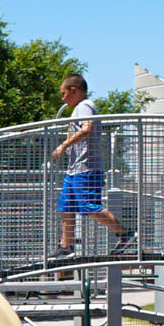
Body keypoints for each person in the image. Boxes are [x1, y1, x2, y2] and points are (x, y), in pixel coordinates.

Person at [50, 74, 136, 257]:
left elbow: (87, 128)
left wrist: (64, 145)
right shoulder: (79, 108)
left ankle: (126, 234)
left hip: (87, 168)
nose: (63, 99)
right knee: (66, 206)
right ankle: (65, 247)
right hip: (74, 169)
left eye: (64, 94)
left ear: (73, 90)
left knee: (89, 205)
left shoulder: (84, 106)